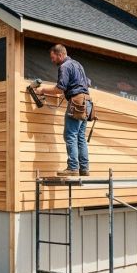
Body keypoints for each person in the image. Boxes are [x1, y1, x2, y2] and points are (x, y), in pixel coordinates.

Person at [35, 44, 93, 176]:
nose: (52, 60)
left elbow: (59, 89)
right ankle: (84, 169)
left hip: (77, 102)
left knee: (70, 135)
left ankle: (72, 168)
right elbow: (87, 82)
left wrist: (42, 89)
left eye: (53, 57)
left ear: (60, 55)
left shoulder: (64, 66)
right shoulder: (77, 64)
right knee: (80, 137)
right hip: (87, 102)